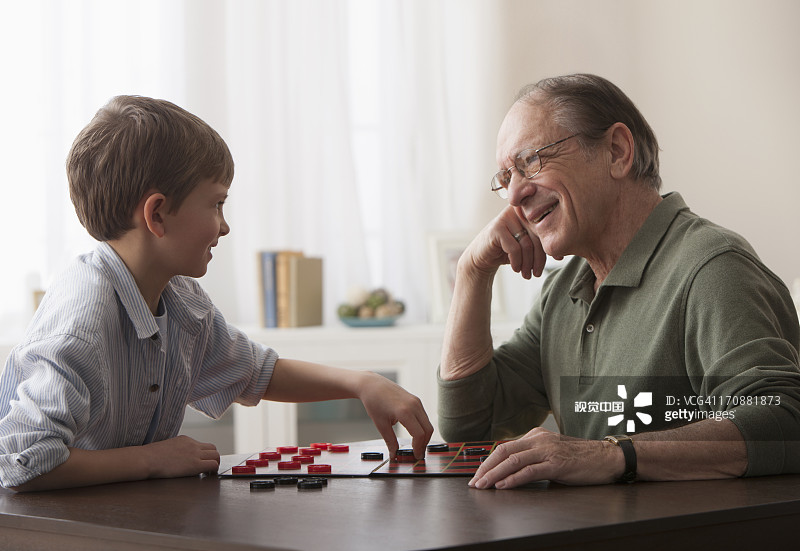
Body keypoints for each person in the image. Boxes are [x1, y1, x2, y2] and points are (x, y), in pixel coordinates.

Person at [0, 95, 433, 492]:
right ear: (157, 215)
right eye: (217, 204)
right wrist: (152, 460)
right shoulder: (82, 324)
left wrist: (363, 383)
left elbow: (254, 372)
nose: (224, 226)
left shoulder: (183, 301)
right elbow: (26, 464)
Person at [438, 74, 800, 489]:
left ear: (616, 152)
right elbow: (468, 426)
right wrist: (472, 272)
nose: (516, 193)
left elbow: (784, 418)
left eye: (530, 162)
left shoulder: (713, 268)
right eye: (506, 179)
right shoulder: (562, 291)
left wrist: (613, 455)